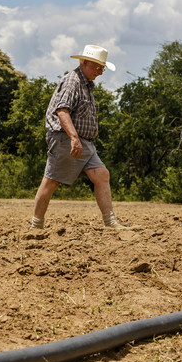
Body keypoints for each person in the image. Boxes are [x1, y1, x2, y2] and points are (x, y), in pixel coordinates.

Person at [30, 44, 126, 230]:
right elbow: (62, 110)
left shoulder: (86, 84)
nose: (100, 72)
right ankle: (36, 225)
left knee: (101, 175)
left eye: (102, 68)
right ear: (84, 62)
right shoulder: (72, 81)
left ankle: (111, 223)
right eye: (97, 67)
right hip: (66, 138)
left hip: (84, 141)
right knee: (51, 180)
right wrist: (74, 138)